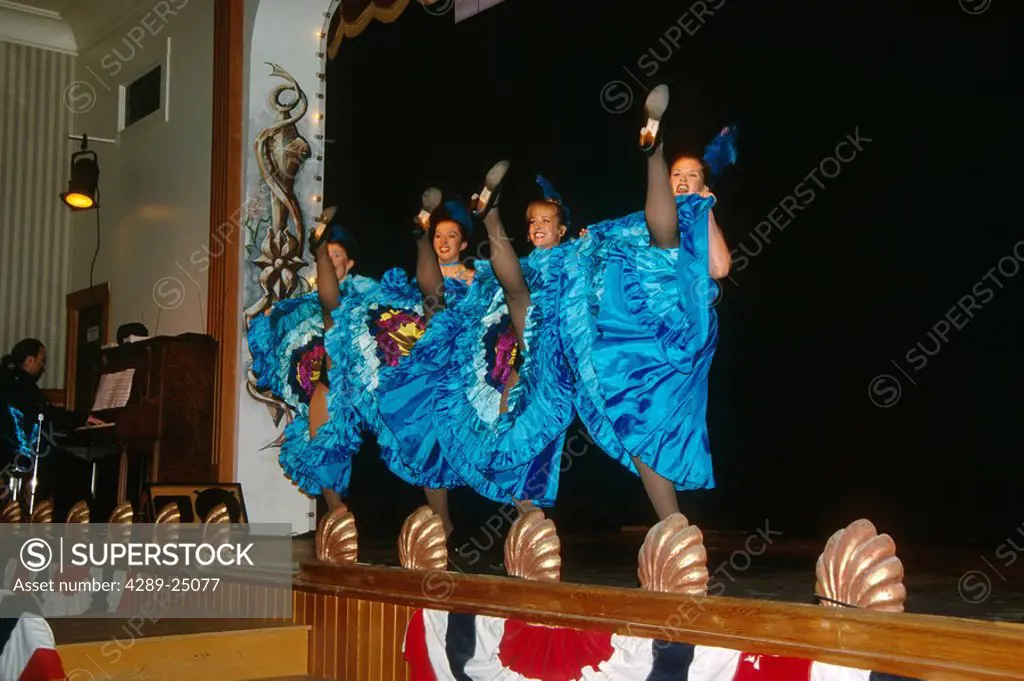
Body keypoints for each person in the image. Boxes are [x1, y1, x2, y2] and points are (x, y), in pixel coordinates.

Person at [561, 84, 736, 521]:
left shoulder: (700, 213)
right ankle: (652, 151)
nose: (683, 182)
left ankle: (672, 521)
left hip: (682, 321)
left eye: (690, 176)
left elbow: (719, 268)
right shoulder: (645, 218)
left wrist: (707, 208)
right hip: (639, 319)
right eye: (675, 175)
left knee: (656, 423)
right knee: (635, 415)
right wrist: (588, 241)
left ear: (704, 184)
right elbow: (604, 236)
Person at [0, 338, 103, 501]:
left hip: (8, 456)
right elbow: (46, 415)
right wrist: (81, 418)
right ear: (30, 360)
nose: (43, 367)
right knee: (77, 469)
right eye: (42, 361)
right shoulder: (24, 386)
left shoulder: (8, 381)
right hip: (25, 455)